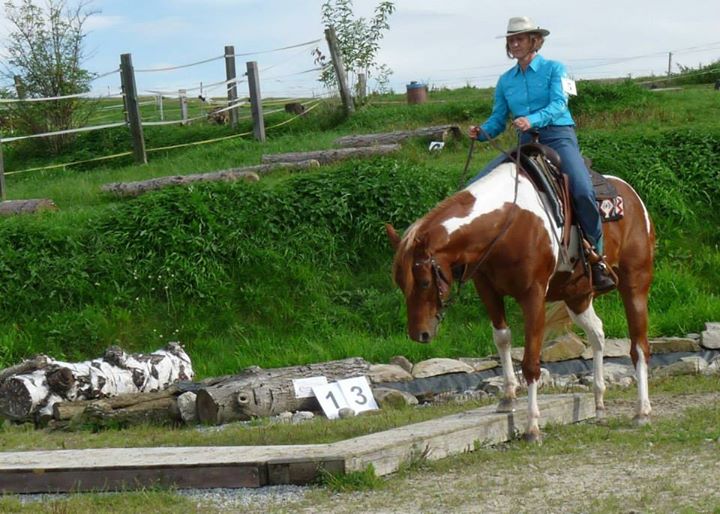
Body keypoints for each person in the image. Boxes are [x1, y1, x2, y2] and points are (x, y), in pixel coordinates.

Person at [468, 16, 615, 293]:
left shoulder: (554, 69)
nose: (514, 43)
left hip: (558, 136)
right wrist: (482, 131)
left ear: (534, 40)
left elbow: (560, 104)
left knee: (582, 190)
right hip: (526, 142)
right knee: (478, 182)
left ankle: (597, 258)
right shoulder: (505, 81)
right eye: (511, 39)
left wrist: (532, 119)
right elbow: (499, 119)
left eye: (520, 38)